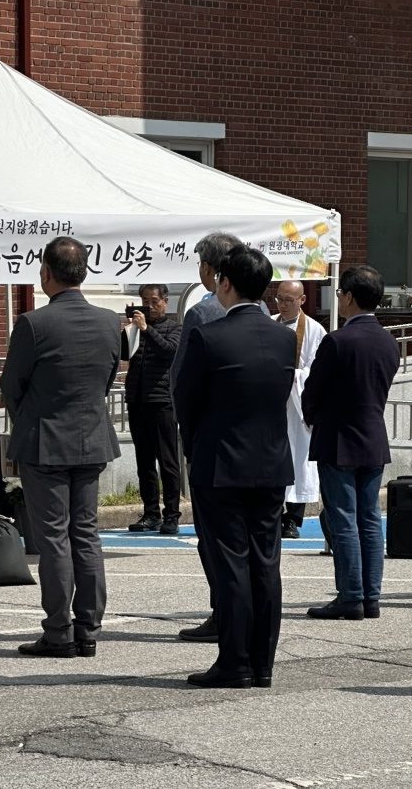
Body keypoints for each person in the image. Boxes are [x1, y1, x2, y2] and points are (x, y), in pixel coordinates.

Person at [174, 245, 295, 688]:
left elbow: (185, 400)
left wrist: (196, 446)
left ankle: (235, 662)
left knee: (231, 563)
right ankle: (262, 663)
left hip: (221, 462)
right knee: (265, 562)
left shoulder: (210, 336)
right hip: (271, 461)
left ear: (225, 282)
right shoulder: (285, 337)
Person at [0, 236, 121, 658]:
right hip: (91, 437)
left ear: (46, 273)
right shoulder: (109, 322)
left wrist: (30, 419)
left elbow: (11, 386)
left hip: (45, 440)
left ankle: (58, 630)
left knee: (53, 537)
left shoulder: (33, 324)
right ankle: (88, 628)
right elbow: (107, 380)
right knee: (85, 533)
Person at [301, 265, 399, 621]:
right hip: (373, 437)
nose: (339, 299)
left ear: (351, 297)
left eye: (341, 293)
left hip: (338, 438)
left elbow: (313, 391)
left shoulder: (337, 341)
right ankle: (371, 596)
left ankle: (350, 596)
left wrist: (311, 416)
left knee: (343, 519)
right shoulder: (388, 341)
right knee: (370, 519)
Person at [172, 231, 240, 644]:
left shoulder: (203, 312)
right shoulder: (261, 311)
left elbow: (182, 379)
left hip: (210, 438)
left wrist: (187, 433)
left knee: (214, 536)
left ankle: (222, 613)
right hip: (256, 443)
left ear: (212, 270)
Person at [123, 284, 182, 534]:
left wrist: (147, 330)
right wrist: (128, 332)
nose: (150, 306)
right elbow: (124, 355)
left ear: (165, 302)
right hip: (137, 400)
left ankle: (172, 514)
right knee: (144, 461)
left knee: (167, 461)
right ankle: (150, 513)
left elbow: (169, 351)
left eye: (154, 301)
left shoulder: (175, 327)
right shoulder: (136, 328)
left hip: (162, 401)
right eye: (145, 301)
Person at [272, 280, 326, 539]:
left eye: (288, 300)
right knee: (272, 457)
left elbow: (317, 370)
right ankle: (273, 513)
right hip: (273, 403)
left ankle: (293, 518)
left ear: (302, 300)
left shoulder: (315, 330)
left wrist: (294, 375)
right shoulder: (270, 324)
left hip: (297, 404)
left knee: (298, 459)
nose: (282, 305)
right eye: (280, 299)